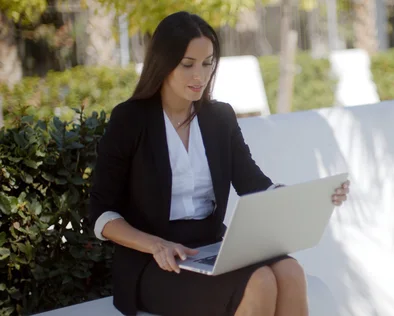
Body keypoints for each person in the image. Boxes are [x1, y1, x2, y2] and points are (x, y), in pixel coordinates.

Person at [88, 11, 350, 316]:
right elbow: (100, 213)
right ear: (163, 63)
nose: (199, 76)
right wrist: (155, 244)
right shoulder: (131, 120)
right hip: (154, 262)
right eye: (187, 65)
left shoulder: (219, 118)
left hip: (213, 249)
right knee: (260, 282)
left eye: (207, 63)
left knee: (291, 274)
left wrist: (310, 200)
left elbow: (255, 184)